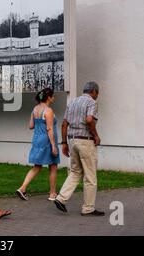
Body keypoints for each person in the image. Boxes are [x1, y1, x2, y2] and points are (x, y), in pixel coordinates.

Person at [53, 81, 105, 216]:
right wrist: (96, 135)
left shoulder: (73, 102)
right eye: (97, 93)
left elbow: (64, 124)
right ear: (93, 91)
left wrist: (64, 143)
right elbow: (89, 120)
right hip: (86, 141)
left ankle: (61, 198)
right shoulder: (91, 102)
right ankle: (88, 208)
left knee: (75, 171)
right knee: (90, 176)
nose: (97, 96)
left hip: (72, 140)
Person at [16, 88, 60, 201]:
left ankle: (22, 188)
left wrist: (39, 124)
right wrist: (54, 146)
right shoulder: (48, 111)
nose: (54, 98)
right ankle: (52, 193)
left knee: (37, 166)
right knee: (53, 166)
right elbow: (49, 129)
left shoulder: (35, 109)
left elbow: (31, 125)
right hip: (47, 140)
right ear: (49, 97)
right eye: (53, 96)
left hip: (37, 139)